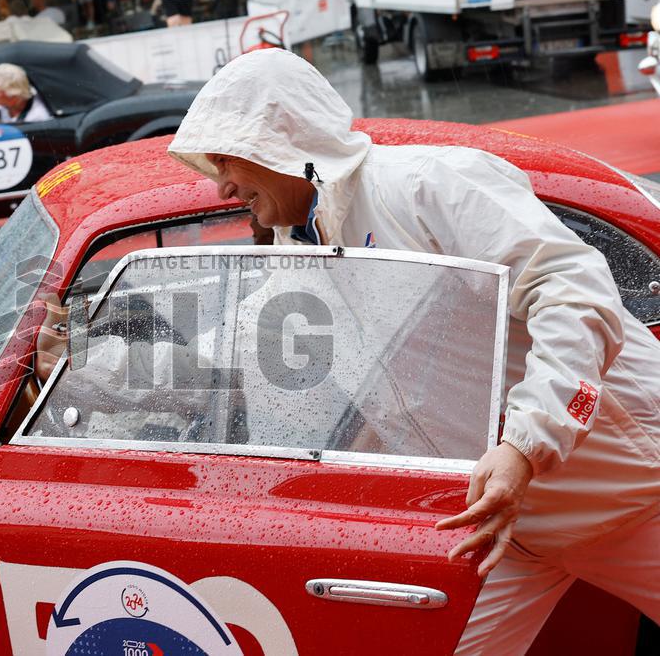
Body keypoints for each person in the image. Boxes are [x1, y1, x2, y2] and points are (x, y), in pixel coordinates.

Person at [165, 48, 660, 654]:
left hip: (637, 493)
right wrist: (83, 361)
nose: (220, 187)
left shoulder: (426, 183)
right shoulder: (304, 254)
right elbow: (228, 357)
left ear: (278, 140)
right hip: (505, 521)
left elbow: (574, 289)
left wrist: (525, 445)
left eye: (224, 158)